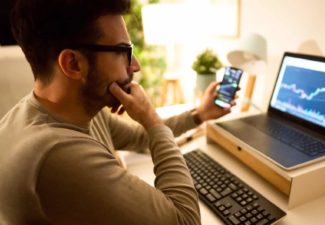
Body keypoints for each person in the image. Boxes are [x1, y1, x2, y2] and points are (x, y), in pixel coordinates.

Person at [0, 0, 236, 224]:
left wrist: (199, 115)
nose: (135, 66)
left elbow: (139, 137)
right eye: (123, 51)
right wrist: (153, 120)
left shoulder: (68, 110)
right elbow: (185, 220)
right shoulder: (56, 154)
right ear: (73, 64)